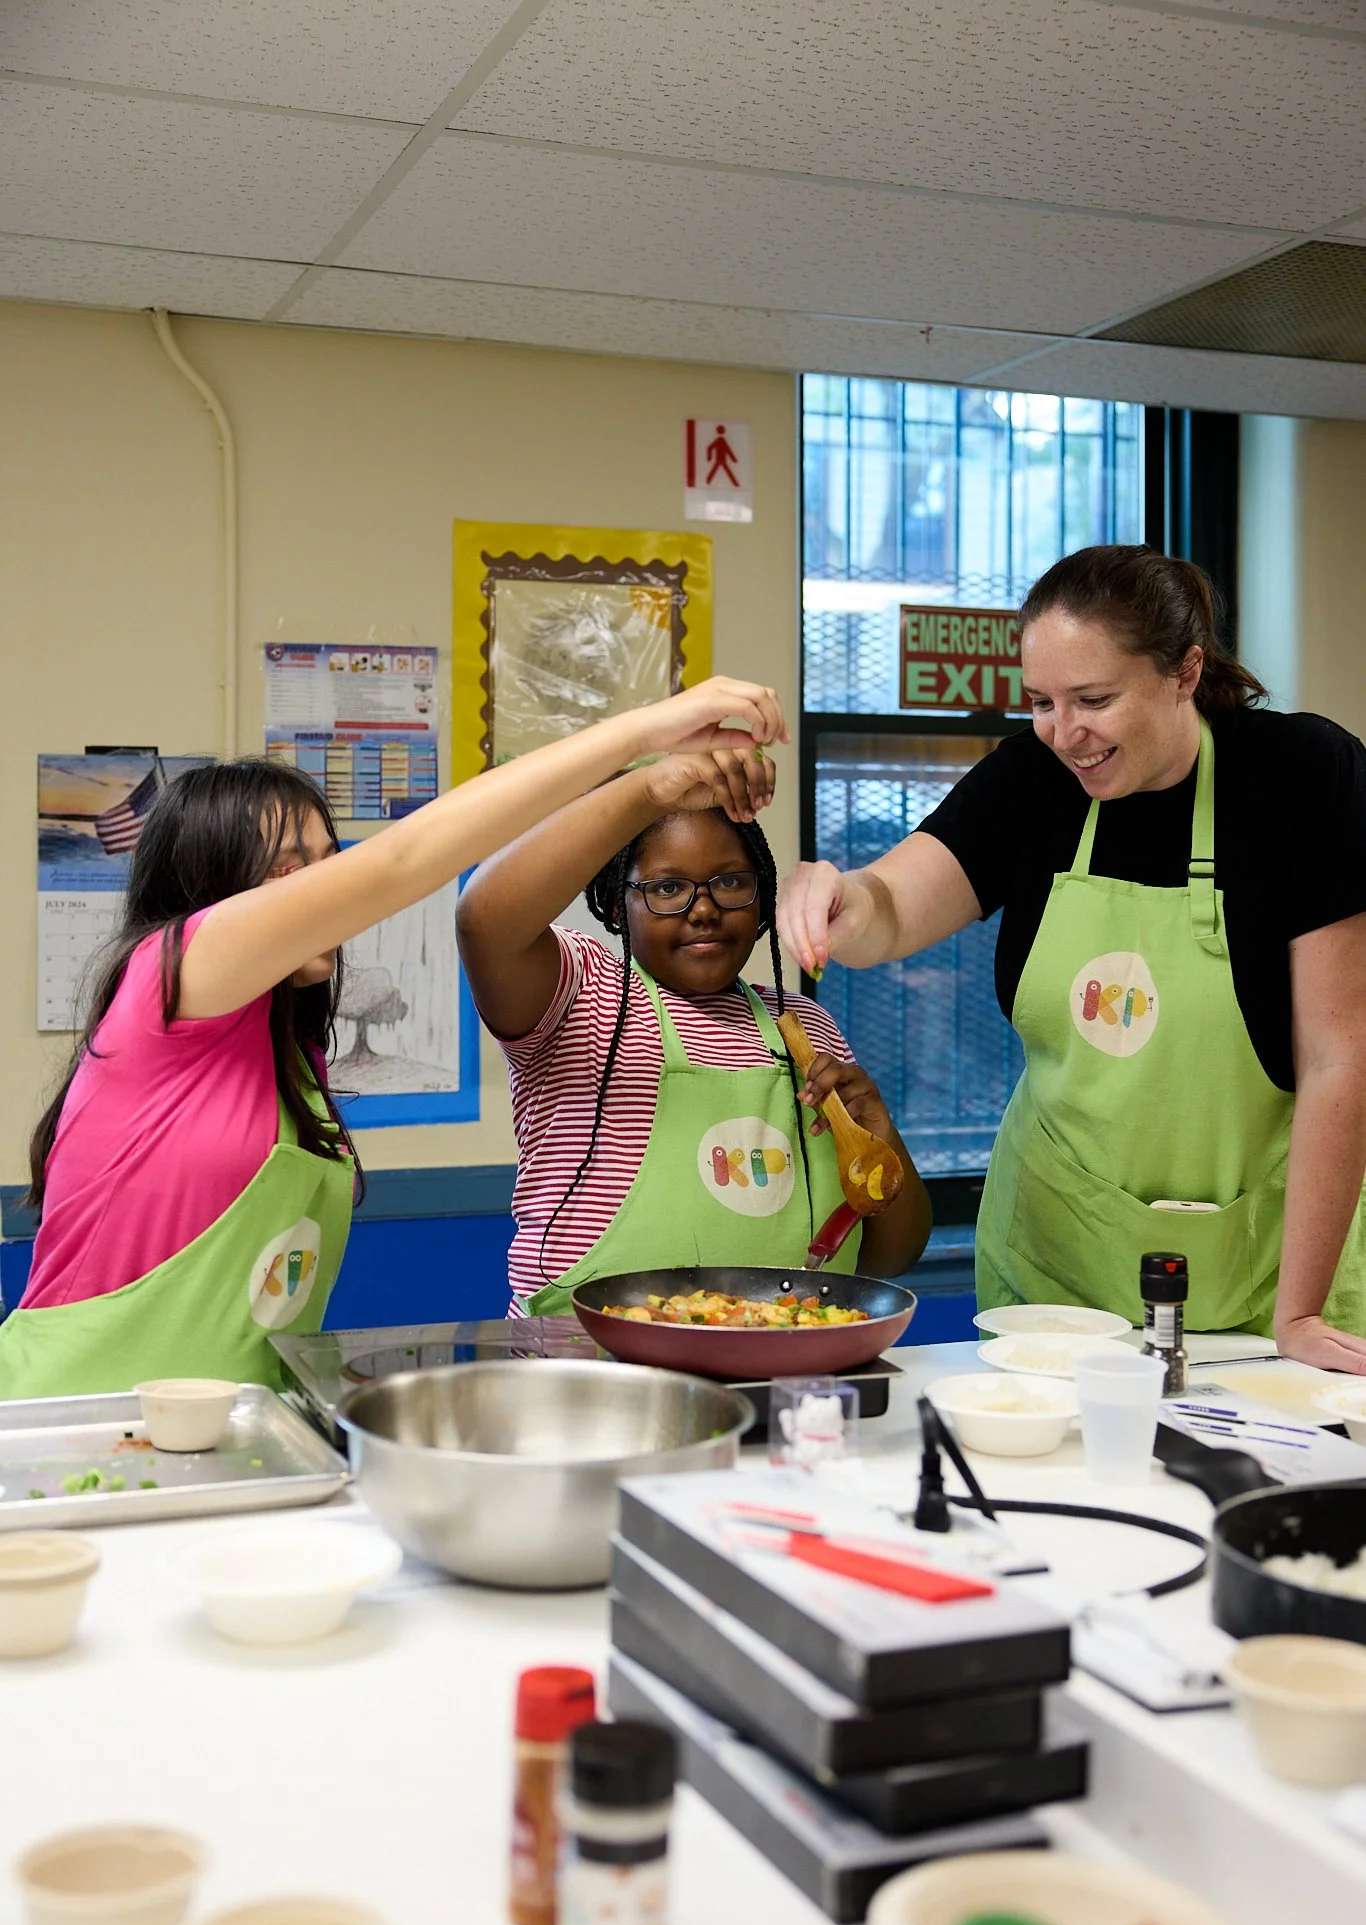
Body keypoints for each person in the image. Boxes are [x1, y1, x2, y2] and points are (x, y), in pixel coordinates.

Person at [1, 677, 787, 1397]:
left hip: (231, 1422)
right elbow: (407, 858)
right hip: (78, 1416)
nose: (325, 890)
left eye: (325, 862)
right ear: (208, 889)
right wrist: (646, 751)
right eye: (287, 870)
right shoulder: (167, 979)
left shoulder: (291, 1059)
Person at [779, 544, 1366, 1373]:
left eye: (1094, 699)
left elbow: (1341, 1059)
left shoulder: (1301, 775)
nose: (1065, 734)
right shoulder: (1034, 779)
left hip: (1270, 1267)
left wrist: (1299, 1311)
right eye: (1041, 703)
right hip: (1058, 1272)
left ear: (1185, 671)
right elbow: (894, 908)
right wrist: (842, 898)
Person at [456, 744, 930, 1314]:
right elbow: (484, 920)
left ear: (761, 896)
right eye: (666, 888)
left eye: (729, 882)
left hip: (778, 1355)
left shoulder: (804, 1027)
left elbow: (888, 1256)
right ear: (617, 904)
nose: (703, 909)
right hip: (586, 1357)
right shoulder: (580, 995)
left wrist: (878, 1135)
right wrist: (645, 792)